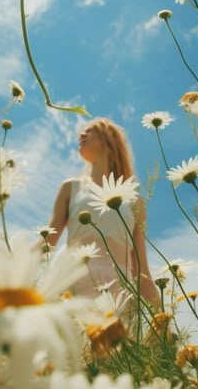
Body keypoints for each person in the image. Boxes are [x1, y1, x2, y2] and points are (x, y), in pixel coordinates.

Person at [46, 117, 160, 307]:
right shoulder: (71, 187)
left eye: (91, 130)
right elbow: (48, 240)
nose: (82, 134)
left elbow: (141, 268)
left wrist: (161, 318)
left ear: (109, 141)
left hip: (119, 290)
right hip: (70, 279)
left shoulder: (135, 201)